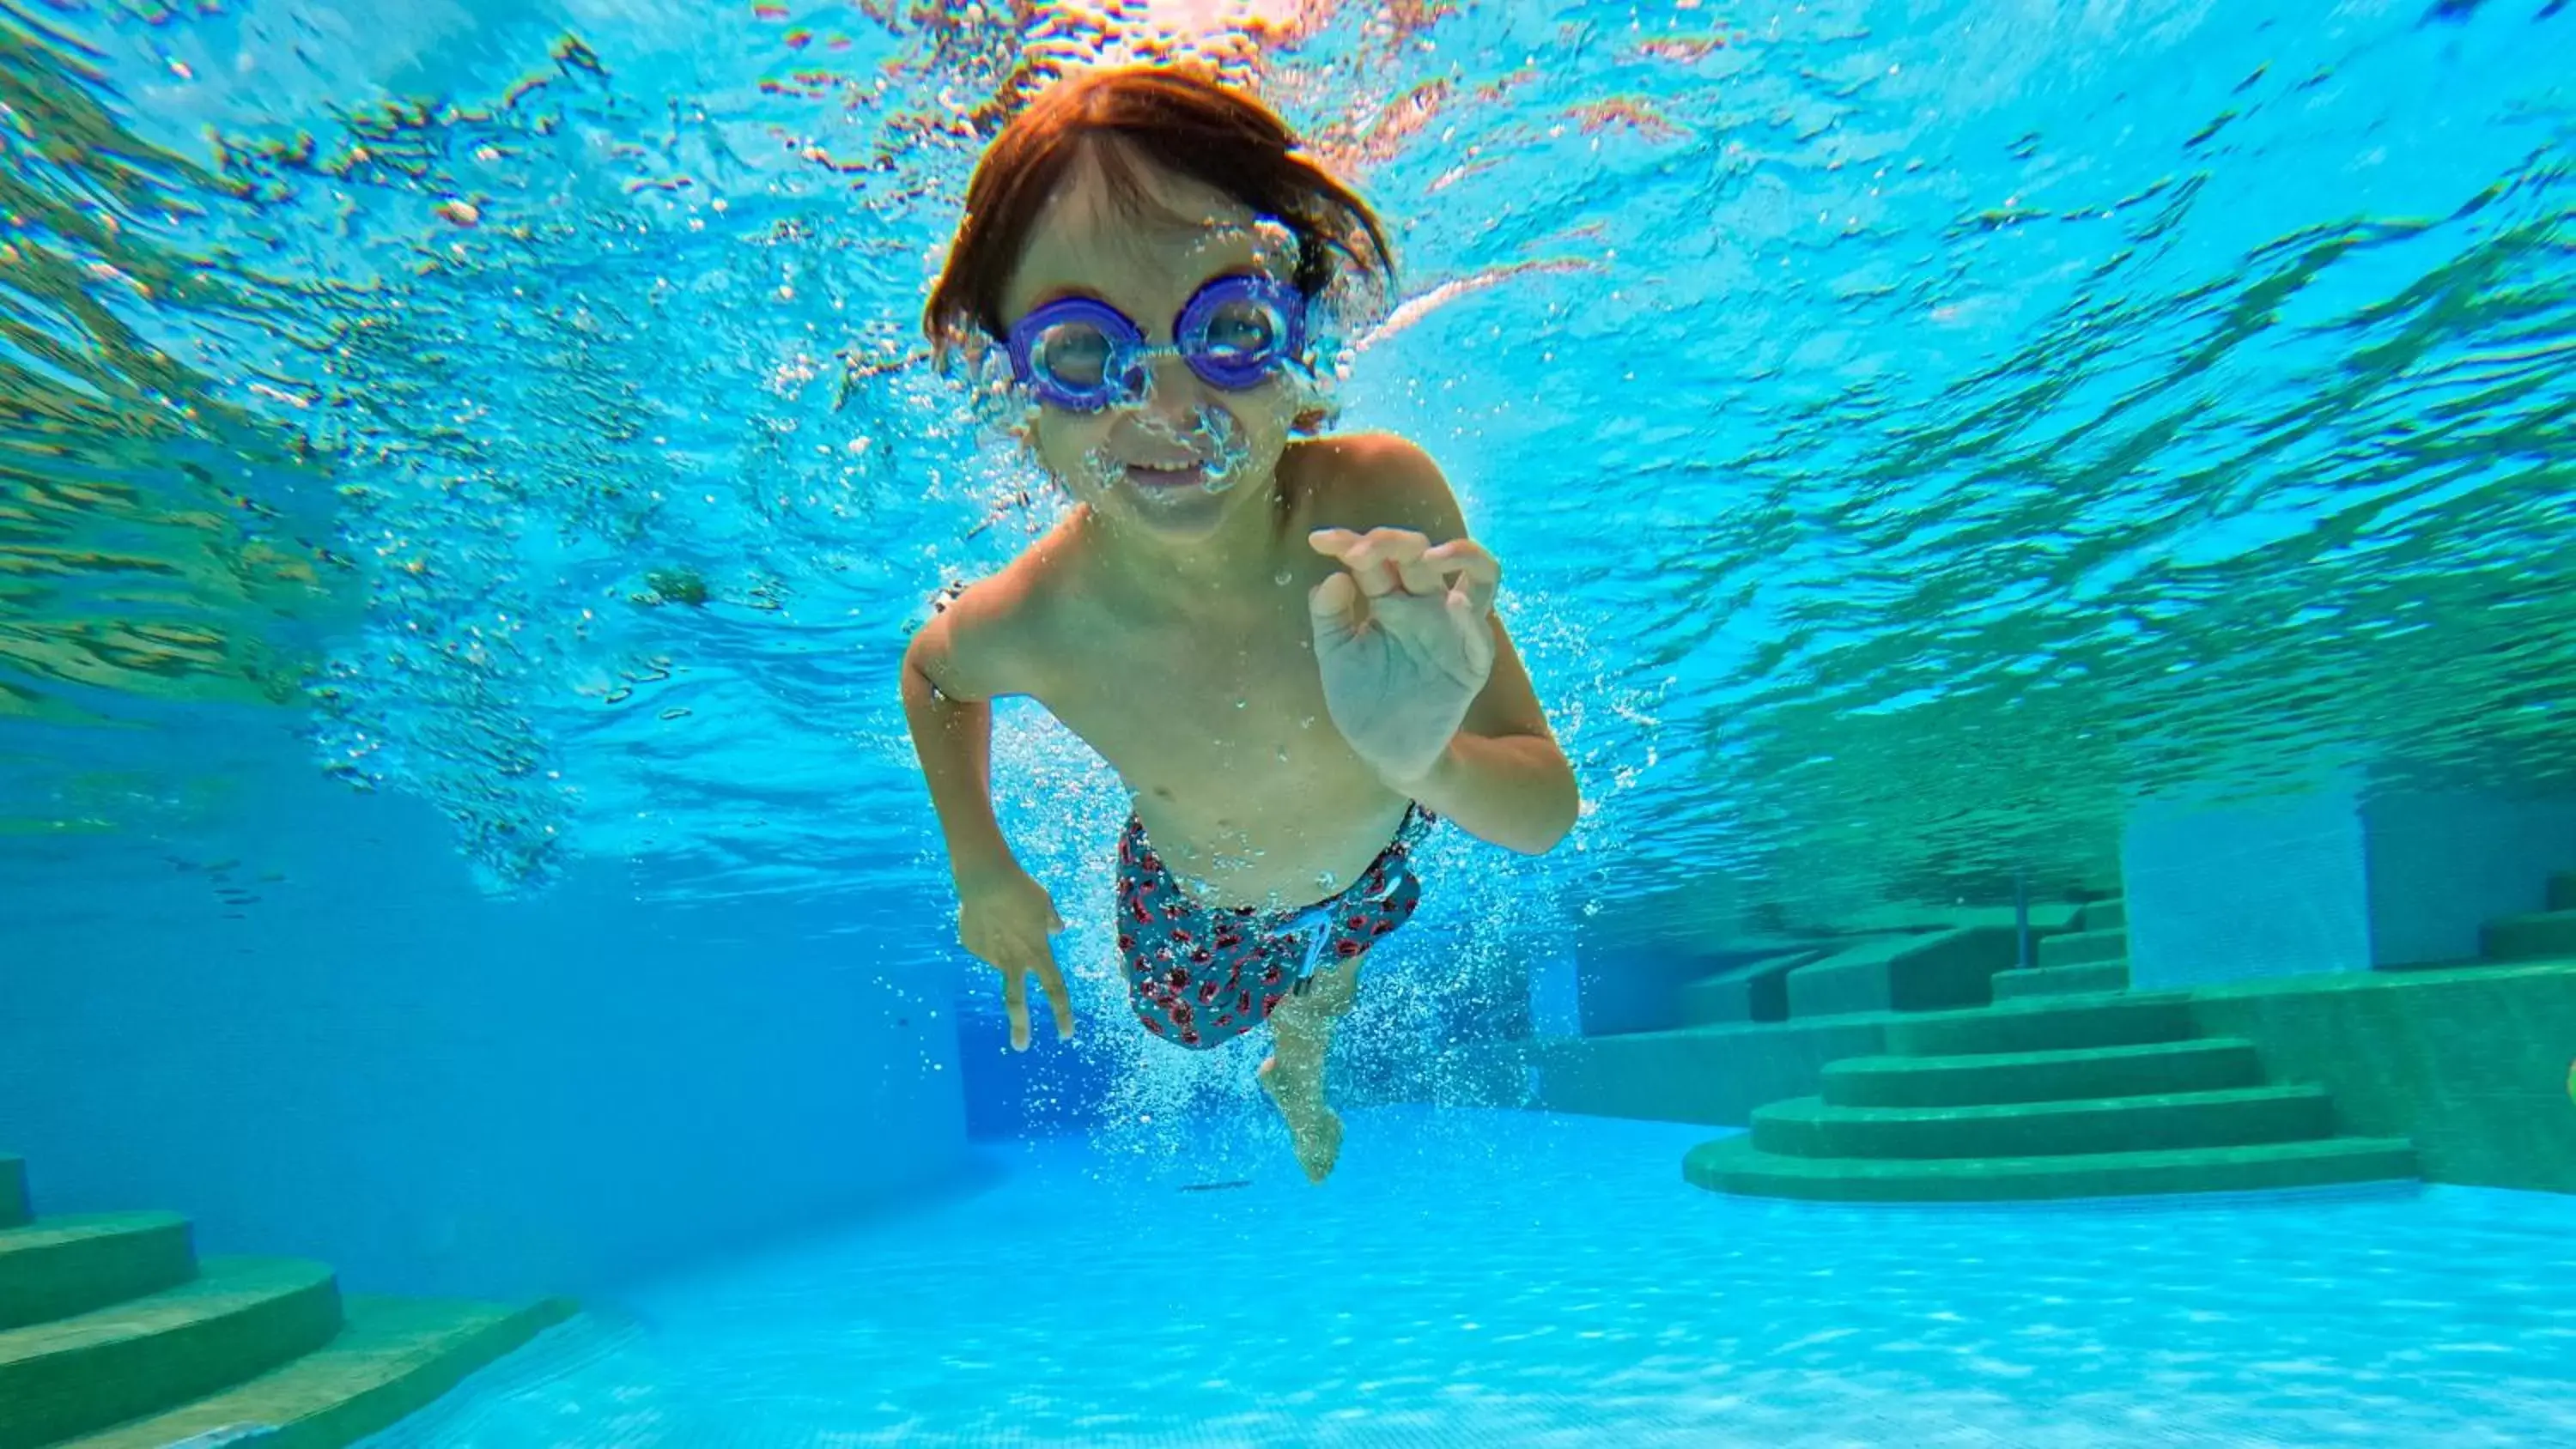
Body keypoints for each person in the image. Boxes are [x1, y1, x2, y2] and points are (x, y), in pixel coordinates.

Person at [900, 64, 1577, 1183]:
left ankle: (1299, 1058)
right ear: (1012, 398)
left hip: (1373, 859)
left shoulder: (1376, 508)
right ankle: (1289, 1035)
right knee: (1192, 1022)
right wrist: (983, 868)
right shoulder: (1041, 614)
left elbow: (1543, 806)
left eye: (1231, 327)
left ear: (1302, 346)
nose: (1167, 409)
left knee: (1337, 953)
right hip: (1193, 908)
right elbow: (935, 675)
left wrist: (1426, 759)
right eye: (1082, 354)